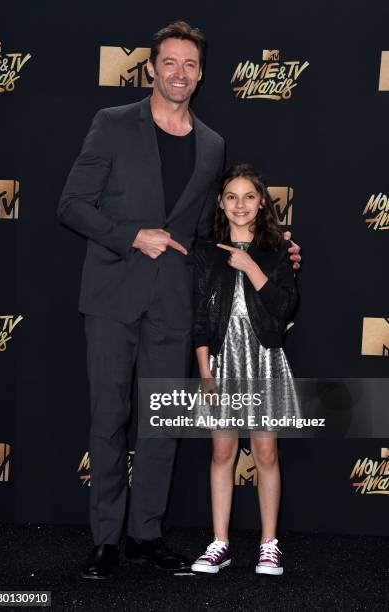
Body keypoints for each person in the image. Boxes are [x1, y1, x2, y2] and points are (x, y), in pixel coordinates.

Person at [57, 20, 301, 580]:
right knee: (108, 420)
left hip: (174, 303)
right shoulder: (113, 124)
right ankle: (106, 540)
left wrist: (276, 250)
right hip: (113, 294)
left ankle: (146, 534)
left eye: (190, 65)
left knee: (160, 424)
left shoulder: (212, 144)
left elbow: (209, 233)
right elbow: (71, 204)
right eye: (169, 62)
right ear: (151, 69)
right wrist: (129, 235)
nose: (180, 73)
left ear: (201, 74)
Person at [191, 164, 299, 576]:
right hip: (221, 360)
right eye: (232, 197)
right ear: (221, 203)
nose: (240, 204)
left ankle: (269, 544)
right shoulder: (205, 252)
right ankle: (220, 542)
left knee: (266, 451)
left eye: (249, 197)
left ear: (261, 203)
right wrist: (205, 372)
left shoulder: (279, 251)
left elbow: (285, 308)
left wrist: (251, 267)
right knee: (222, 451)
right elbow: (199, 318)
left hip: (264, 359)